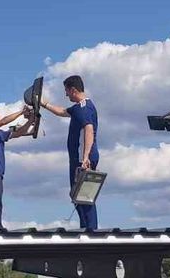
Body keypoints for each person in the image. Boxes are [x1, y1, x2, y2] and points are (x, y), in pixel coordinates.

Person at [40, 75, 99, 230]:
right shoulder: (79, 107)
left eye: (66, 91)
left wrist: (85, 157)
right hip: (78, 158)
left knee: (84, 196)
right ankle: (86, 228)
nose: (66, 95)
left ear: (73, 90)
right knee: (76, 195)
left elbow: (89, 129)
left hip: (82, 158)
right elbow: (61, 112)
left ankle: (91, 231)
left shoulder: (83, 108)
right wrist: (44, 104)